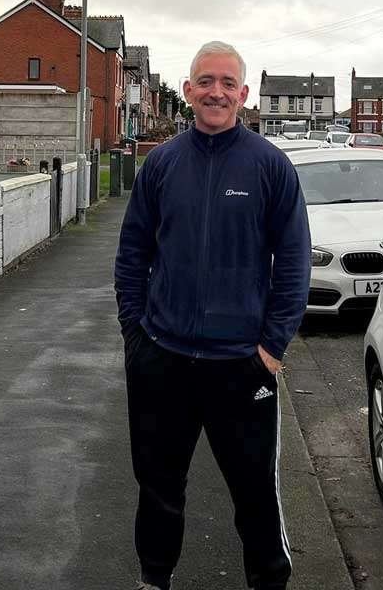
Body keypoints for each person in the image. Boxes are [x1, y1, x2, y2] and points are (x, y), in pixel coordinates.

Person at [114, 40, 311, 590]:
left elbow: (293, 266)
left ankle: (268, 581)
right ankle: (154, 579)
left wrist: (271, 352)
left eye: (227, 82)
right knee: (157, 488)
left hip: (241, 367)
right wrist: (137, 338)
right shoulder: (161, 164)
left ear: (243, 94)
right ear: (188, 91)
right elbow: (132, 255)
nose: (216, 92)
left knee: (254, 495)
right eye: (206, 81)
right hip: (163, 360)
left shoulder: (270, 166)